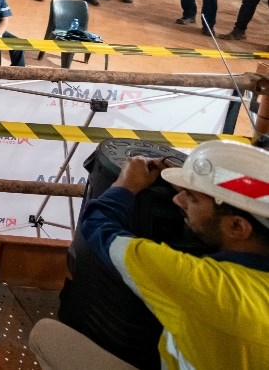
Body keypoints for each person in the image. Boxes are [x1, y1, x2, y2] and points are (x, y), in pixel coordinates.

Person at [29, 141, 269, 370]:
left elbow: (98, 225)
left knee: (46, 334)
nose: (177, 199)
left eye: (192, 198)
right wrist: (197, 188)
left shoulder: (199, 282)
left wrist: (126, 185)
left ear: (237, 227)